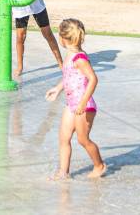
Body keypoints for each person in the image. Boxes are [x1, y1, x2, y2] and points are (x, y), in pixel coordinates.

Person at [45, 18, 106, 180]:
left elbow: (93, 79)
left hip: (83, 105)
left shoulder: (79, 58)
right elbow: (69, 77)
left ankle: (99, 165)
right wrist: (57, 89)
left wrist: (83, 102)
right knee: (63, 137)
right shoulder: (70, 55)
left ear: (62, 39)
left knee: (83, 139)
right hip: (72, 104)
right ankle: (63, 172)